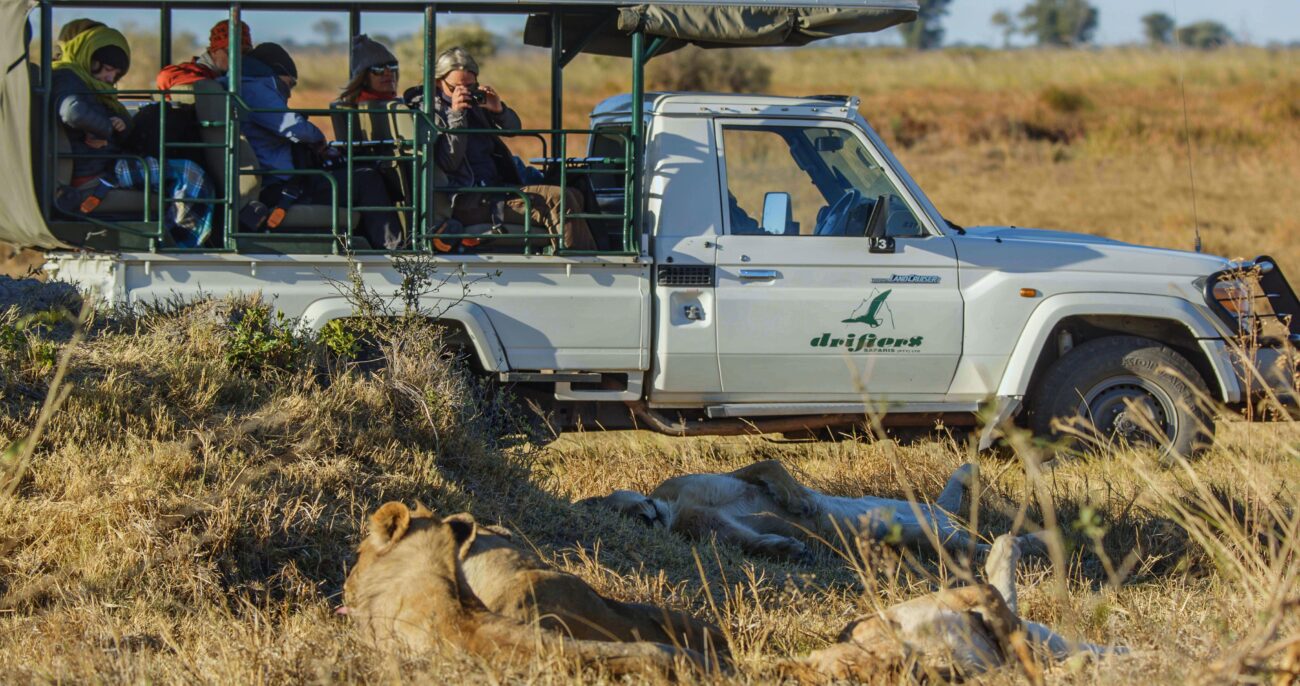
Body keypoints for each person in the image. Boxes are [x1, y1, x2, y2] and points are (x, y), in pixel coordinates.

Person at [421, 47, 596, 252]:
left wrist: (498, 110)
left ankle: (599, 255)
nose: (464, 93)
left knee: (576, 193)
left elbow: (514, 130)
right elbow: (449, 162)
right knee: (557, 198)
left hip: (495, 189)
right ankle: (580, 265)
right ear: (437, 82)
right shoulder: (430, 113)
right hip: (467, 200)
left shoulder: (474, 106)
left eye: (471, 87)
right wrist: (457, 116)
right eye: (455, 88)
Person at [51, 25, 214, 247]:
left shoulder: (89, 83)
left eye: (116, 74)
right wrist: (106, 129)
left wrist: (118, 125)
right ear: (90, 57)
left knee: (177, 174)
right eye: (108, 69)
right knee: (191, 174)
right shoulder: (68, 76)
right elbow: (72, 111)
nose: (110, 77)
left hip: (105, 164)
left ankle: (167, 234)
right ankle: (182, 246)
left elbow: (120, 121)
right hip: (100, 170)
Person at [233, 42, 403, 250]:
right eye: (290, 84)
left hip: (279, 181)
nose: (289, 94)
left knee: (355, 176)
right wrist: (318, 139)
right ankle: (396, 253)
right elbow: (293, 127)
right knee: (367, 179)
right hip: (279, 187)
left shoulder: (245, 86)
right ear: (277, 73)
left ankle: (369, 245)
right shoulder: (256, 89)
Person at [156, 20, 253, 91]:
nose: (239, 58)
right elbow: (165, 76)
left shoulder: (250, 74)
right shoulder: (193, 71)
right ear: (214, 51)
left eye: (245, 52)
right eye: (231, 52)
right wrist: (217, 86)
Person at [337, 35, 399, 105]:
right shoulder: (375, 109)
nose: (388, 72)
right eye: (378, 68)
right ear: (363, 78)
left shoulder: (388, 102)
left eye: (392, 66)